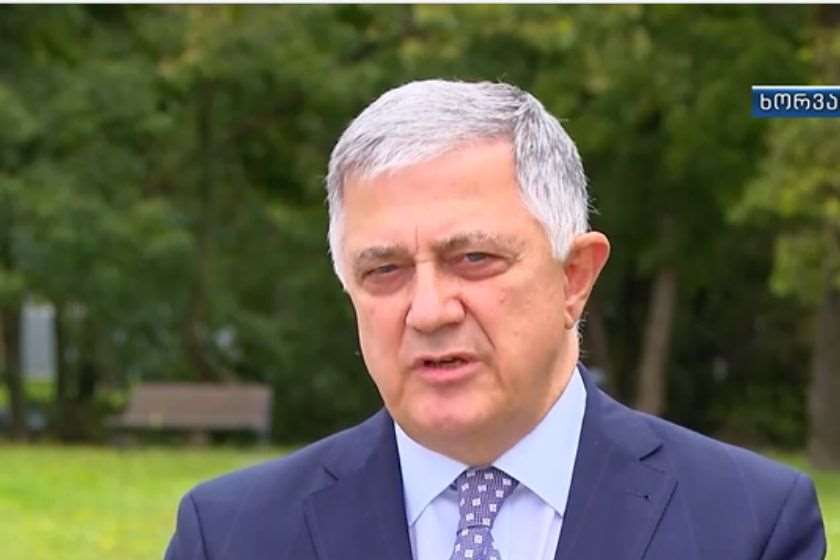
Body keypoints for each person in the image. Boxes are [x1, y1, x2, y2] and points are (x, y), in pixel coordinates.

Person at [165, 80, 826, 560]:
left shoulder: (747, 526)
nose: (429, 311)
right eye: (385, 270)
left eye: (474, 259)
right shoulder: (231, 536)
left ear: (575, 277)